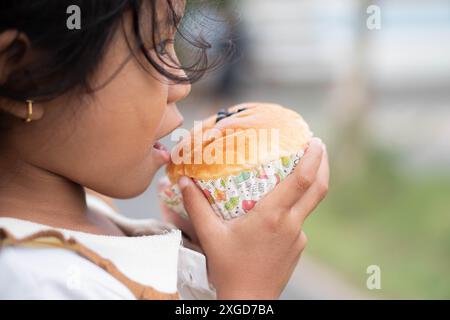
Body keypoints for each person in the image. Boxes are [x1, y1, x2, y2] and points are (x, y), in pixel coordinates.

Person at [0, 0, 329, 299]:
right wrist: (246, 295)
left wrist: (198, 254)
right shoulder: (39, 282)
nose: (183, 85)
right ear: (27, 79)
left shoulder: (94, 208)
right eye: (157, 45)